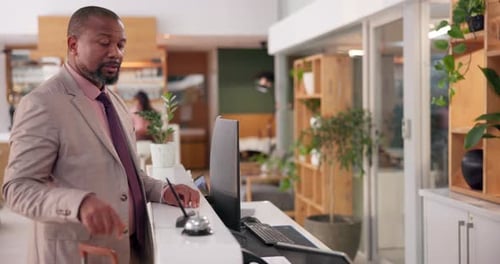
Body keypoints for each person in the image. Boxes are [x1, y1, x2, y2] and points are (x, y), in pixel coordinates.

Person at [2, 6, 200, 264]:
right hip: (79, 255)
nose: (116, 53)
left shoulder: (114, 102)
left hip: (131, 251)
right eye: (104, 43)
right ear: (73, 45)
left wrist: (163, 191)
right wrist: (80, 203)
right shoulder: (42, 103)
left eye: (120, 44)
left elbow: (128, 176)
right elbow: (17, 188)